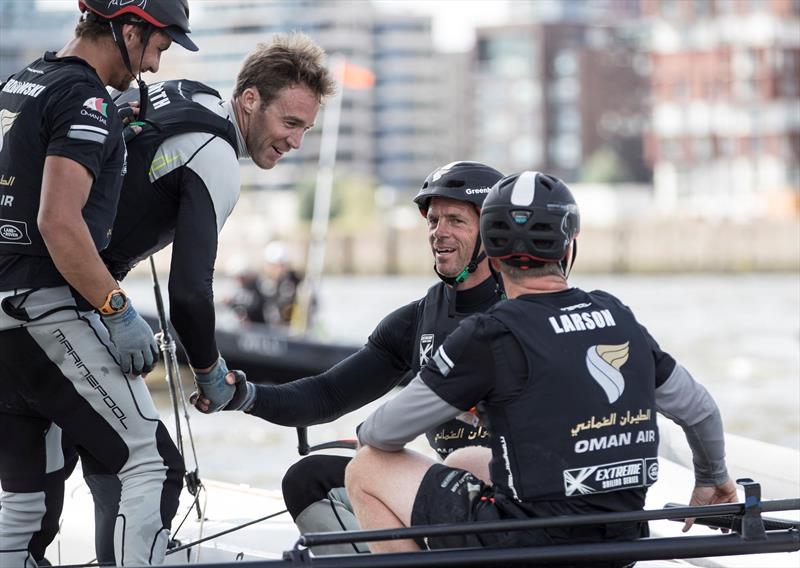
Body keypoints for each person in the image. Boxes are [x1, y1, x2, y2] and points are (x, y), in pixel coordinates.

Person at [33, 32, 336, 564]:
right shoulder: (216, 155)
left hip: (32, 288)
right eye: (290, 124)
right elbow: (191, 295)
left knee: (61, 463)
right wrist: (211, 374)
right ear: (249, 101)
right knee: (156, 469)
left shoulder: (184, 94)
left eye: (306, 130)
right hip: (65, 302)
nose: (296, 143)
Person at [345, 171, 737, 564]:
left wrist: (372, 433)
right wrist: (712, 479)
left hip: (530, 547)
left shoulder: (488, 334)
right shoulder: (618, 316)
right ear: (569, 246)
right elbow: (699, 409)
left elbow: (383, 433)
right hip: (621, 542)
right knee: (465, 461)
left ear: (492, 257)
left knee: (366, 468)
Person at [194, 161, 505, 555]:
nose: (438, 232)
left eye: (456, 221)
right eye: (433, 220)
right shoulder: (416, 320)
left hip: (513, 493)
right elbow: (327, 395)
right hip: (450, 489)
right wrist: (244, 396)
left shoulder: (525, 314)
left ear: (494, 231)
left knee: (438, 460)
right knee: (309, 479)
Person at [0, 1, 198, 565]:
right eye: (158, 48)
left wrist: (110, 128)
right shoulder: (83, 99)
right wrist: (117, 309)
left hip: (4, 321)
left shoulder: (22, 81)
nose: (156, 67)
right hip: (43, 310)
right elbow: (57, 222)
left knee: (24, 504)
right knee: (150, 462)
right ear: (128, 29)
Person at [263, 241, 301, 325]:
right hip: (266, 330)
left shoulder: (297, 282)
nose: (278, 269)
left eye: (281, 265)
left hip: (289, 331)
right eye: (274, 265)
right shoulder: (262, 283)